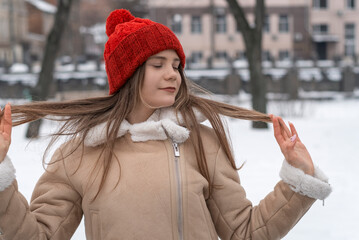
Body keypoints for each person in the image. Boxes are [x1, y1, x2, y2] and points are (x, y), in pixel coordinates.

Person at [0, 9, 331, 240]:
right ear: (127, 74)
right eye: (157, 64)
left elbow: (244, 232)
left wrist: (297, 180)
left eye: (176, 64)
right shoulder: (80, 153)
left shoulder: (201, 142)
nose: (173, 73)